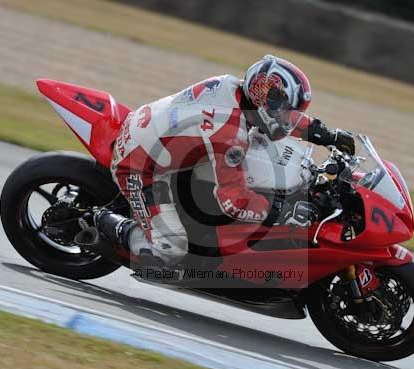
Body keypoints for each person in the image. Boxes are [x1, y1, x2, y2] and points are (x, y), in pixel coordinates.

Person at [94, 54, 355, 274]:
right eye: (287, 109)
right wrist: (278, 211)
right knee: (169, 252)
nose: (290, 118)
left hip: (163, 144)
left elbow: (278, 118)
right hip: (139, 166)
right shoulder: (229, 133)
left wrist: (325, 134)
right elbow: (232, 200)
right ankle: (102, 219)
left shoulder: (235, 89)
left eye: (293, 111)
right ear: (265, 98)